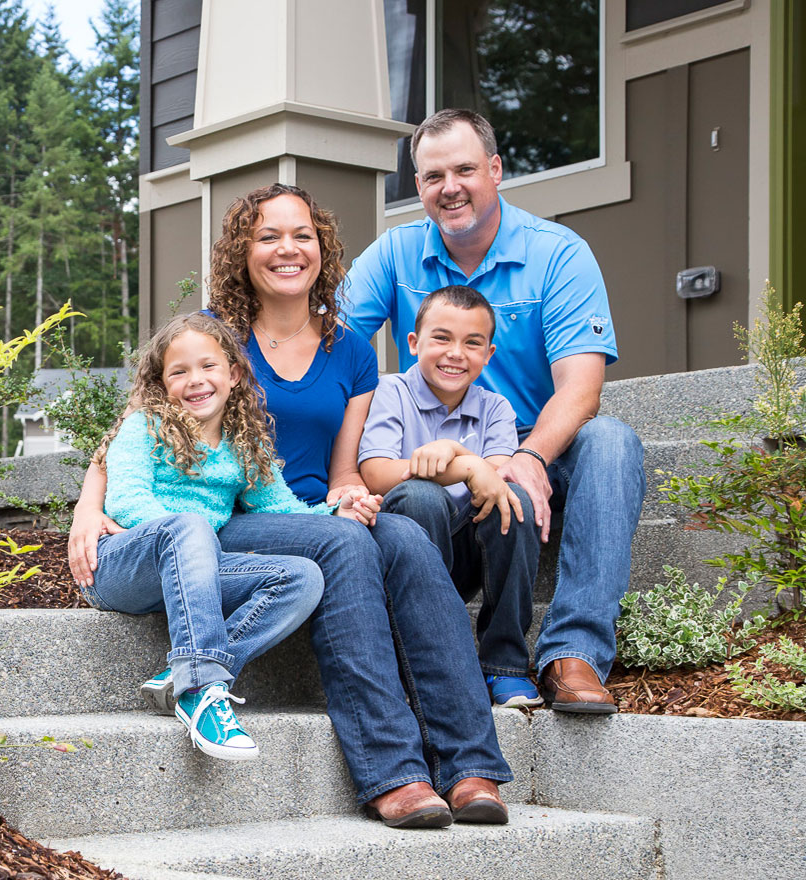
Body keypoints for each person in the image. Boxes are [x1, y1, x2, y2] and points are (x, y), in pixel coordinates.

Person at [68, 184, 513, 828]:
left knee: (407, 541)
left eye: (301, 234)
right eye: (267, 236)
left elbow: (340, 471)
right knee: (347, 544)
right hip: (236, 513)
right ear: (241, 253)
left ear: (322, 247)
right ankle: (393, 768)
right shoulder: (214, 340)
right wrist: (89, 508)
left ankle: (471, 765)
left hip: (308, 512)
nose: (287, 249)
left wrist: (351, 500)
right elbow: (135, 429)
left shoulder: (352, 351)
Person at [344, 108, 647, 714]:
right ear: (420, 187)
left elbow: (582, 390)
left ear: (496, 169)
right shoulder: (395, 254)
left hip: (538, 441)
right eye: (432, 176)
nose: (449, 187)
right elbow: (328, 347)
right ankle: (434, 652)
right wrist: (344, 474)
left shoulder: (559, 254)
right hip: (434, 448)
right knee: (423, 499)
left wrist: (529, 456)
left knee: (613, 440)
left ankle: (573, 653)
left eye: (463, 169)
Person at [82, 312, 380, 760]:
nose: (195, 380)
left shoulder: (245, 443)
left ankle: (187, 670)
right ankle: (201, 691)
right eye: (178, 372)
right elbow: (127, 500)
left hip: (193, 570)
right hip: (123, 564)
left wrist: (336, 510)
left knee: (302, 577)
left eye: (208, 366)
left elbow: (282, 510)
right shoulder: (143, 426)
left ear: (234, 374)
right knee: (190, 526)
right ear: (162, 384)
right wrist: (192, 540)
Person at [358, 285, 550, 709]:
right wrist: (465, 464)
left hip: (464, 551)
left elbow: (497, 477)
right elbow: (374, 473)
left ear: (489, 354)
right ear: (414, 343)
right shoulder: (391, 391)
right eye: (441, 338)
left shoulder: (496, 407)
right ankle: (426, 664)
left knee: (514, 500)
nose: (455, 353)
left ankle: (504, 664)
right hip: (404, 554)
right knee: (420, 495)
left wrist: (458, 453)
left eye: (472, 343)